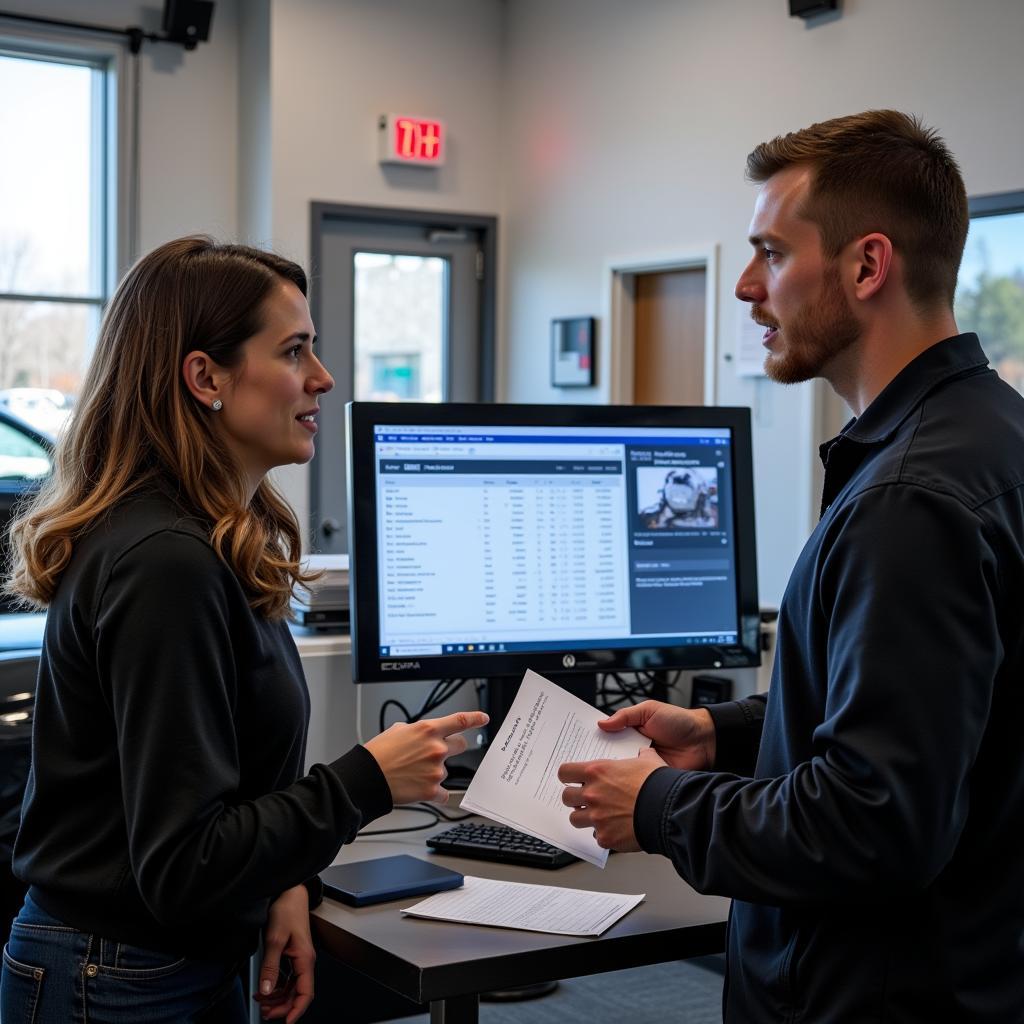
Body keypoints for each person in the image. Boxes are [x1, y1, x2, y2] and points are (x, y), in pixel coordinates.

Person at [559, 110, 1024, 1022]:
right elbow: (930, 709)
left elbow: (872, 823)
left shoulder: (909, 499)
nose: (743, 286)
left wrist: (659, 804)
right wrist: (722, 733)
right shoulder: (989, 438)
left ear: (866, 266)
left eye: (770, 252)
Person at [0, 236, 487, 1024]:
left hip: (162, 961)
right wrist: (367, 778)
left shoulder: (211, 542)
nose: (323, 379)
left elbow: (220, 798)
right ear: (205, 377)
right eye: (295, 351)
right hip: (116, 977)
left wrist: (283, 881)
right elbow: (184, 862)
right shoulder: (165, 563)